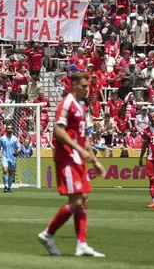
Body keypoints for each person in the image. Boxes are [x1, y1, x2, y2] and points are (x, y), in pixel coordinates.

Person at [38, 72, 106, 257]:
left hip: (77, 158)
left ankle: (81, 244)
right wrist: (79, 149)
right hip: (66, 157)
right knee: (77, 201)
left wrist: (95, 161)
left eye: (88, 86)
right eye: (83, 86)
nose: (87, 89)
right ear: (73, 85)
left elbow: (84, 138)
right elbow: (58, 131)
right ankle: (47, 234)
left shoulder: (82, 106)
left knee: (83, 199)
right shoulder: (66, 103)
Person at [0, 124, 20, 192]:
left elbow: (19, 147)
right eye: (8, 128)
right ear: (6, 129)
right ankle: (5, 186)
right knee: (5, 170)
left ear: (12, 129)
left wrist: (17, 152)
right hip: (5, 156)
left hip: (12, 157)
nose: (9, 129)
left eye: (10, 128)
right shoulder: (2, 138)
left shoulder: (15, 139)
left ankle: (9, 187)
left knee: (11, 173)